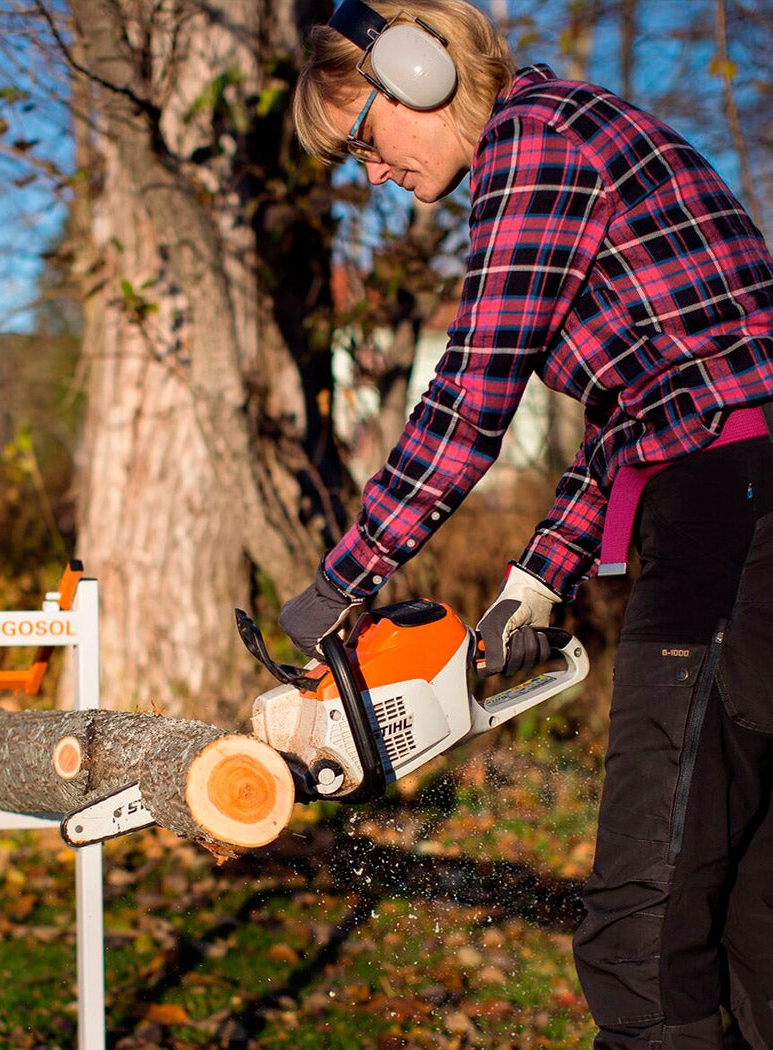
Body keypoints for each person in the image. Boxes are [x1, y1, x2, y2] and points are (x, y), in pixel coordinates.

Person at [278, 1, 773, 1047]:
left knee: (642, 930)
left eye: (364, 141)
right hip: (732, 481)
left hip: (732, 502)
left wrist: (345, 576)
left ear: (417, 74)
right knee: (746, 910)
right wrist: (537, 580)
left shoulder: (533, 144)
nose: (370, 173)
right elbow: (646, 407)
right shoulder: (572, 131)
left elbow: (469, 398)